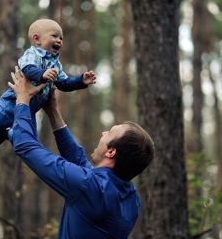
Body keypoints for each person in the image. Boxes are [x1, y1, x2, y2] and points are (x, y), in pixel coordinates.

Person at [8, 66, 155, 238]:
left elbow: (26, 146)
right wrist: (53, 110)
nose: (103, 133)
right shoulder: (132, 200)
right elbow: (79, 160)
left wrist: (22, 99)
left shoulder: (89, 187)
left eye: (109, 133)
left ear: (111, 152)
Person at [0, 18, 96, 151]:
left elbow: (63, 83)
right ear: (37, 39)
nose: (59, 40)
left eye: (61, 38)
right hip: (14, 101)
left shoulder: (55, 64)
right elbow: (27, 68)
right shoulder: (33, 53)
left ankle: (5, 132)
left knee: (30, 140)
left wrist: (80, 81)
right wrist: (42, 74)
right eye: (54, 36)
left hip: (31, 108)